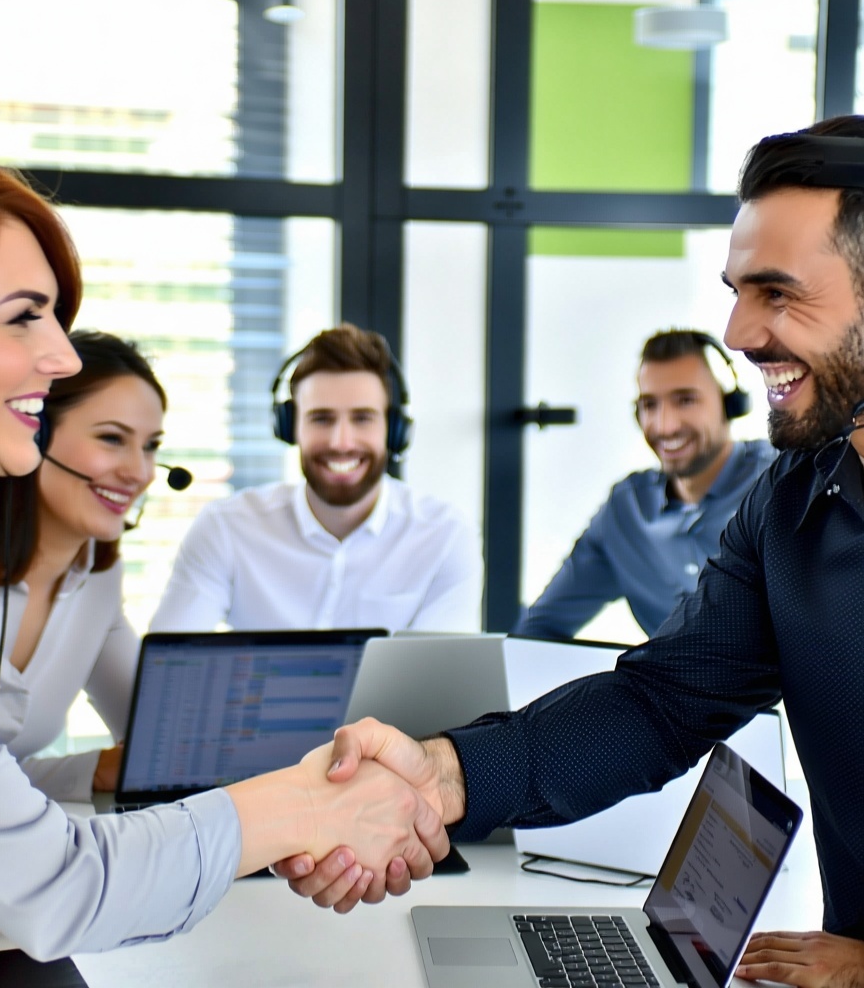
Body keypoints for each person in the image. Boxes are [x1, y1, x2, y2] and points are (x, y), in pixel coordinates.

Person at [0, 139, 447, 984]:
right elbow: (64, 888)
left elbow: (158, 739)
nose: (58, 358)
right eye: (23, 316)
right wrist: (311, 803)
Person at [279, 116, 864, 982]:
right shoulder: (792, 501)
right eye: (736, 290)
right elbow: (661, 703)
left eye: (778, 293)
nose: (739, 332)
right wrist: (443, 777)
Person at [0, 329, 166, 810]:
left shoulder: (97, 581)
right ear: (35, 430)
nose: (140, 472)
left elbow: (163, 743)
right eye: (112, 439)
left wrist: (90, 770)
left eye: (151, 445)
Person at [149, 322, 484, 633]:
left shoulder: (444, 535)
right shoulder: (226, 528)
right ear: (290, 427)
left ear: (394, 430)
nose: (341, 442)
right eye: (321, 419)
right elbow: (168, 670)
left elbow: (439, 689)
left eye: (362, 418)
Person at [513, 328, 776, 640]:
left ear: (729, 404)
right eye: (650, 405)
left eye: (686, 400)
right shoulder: (626, 511)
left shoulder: (781, 480)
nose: (665, 425)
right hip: (670, 688)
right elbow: (539, 631)